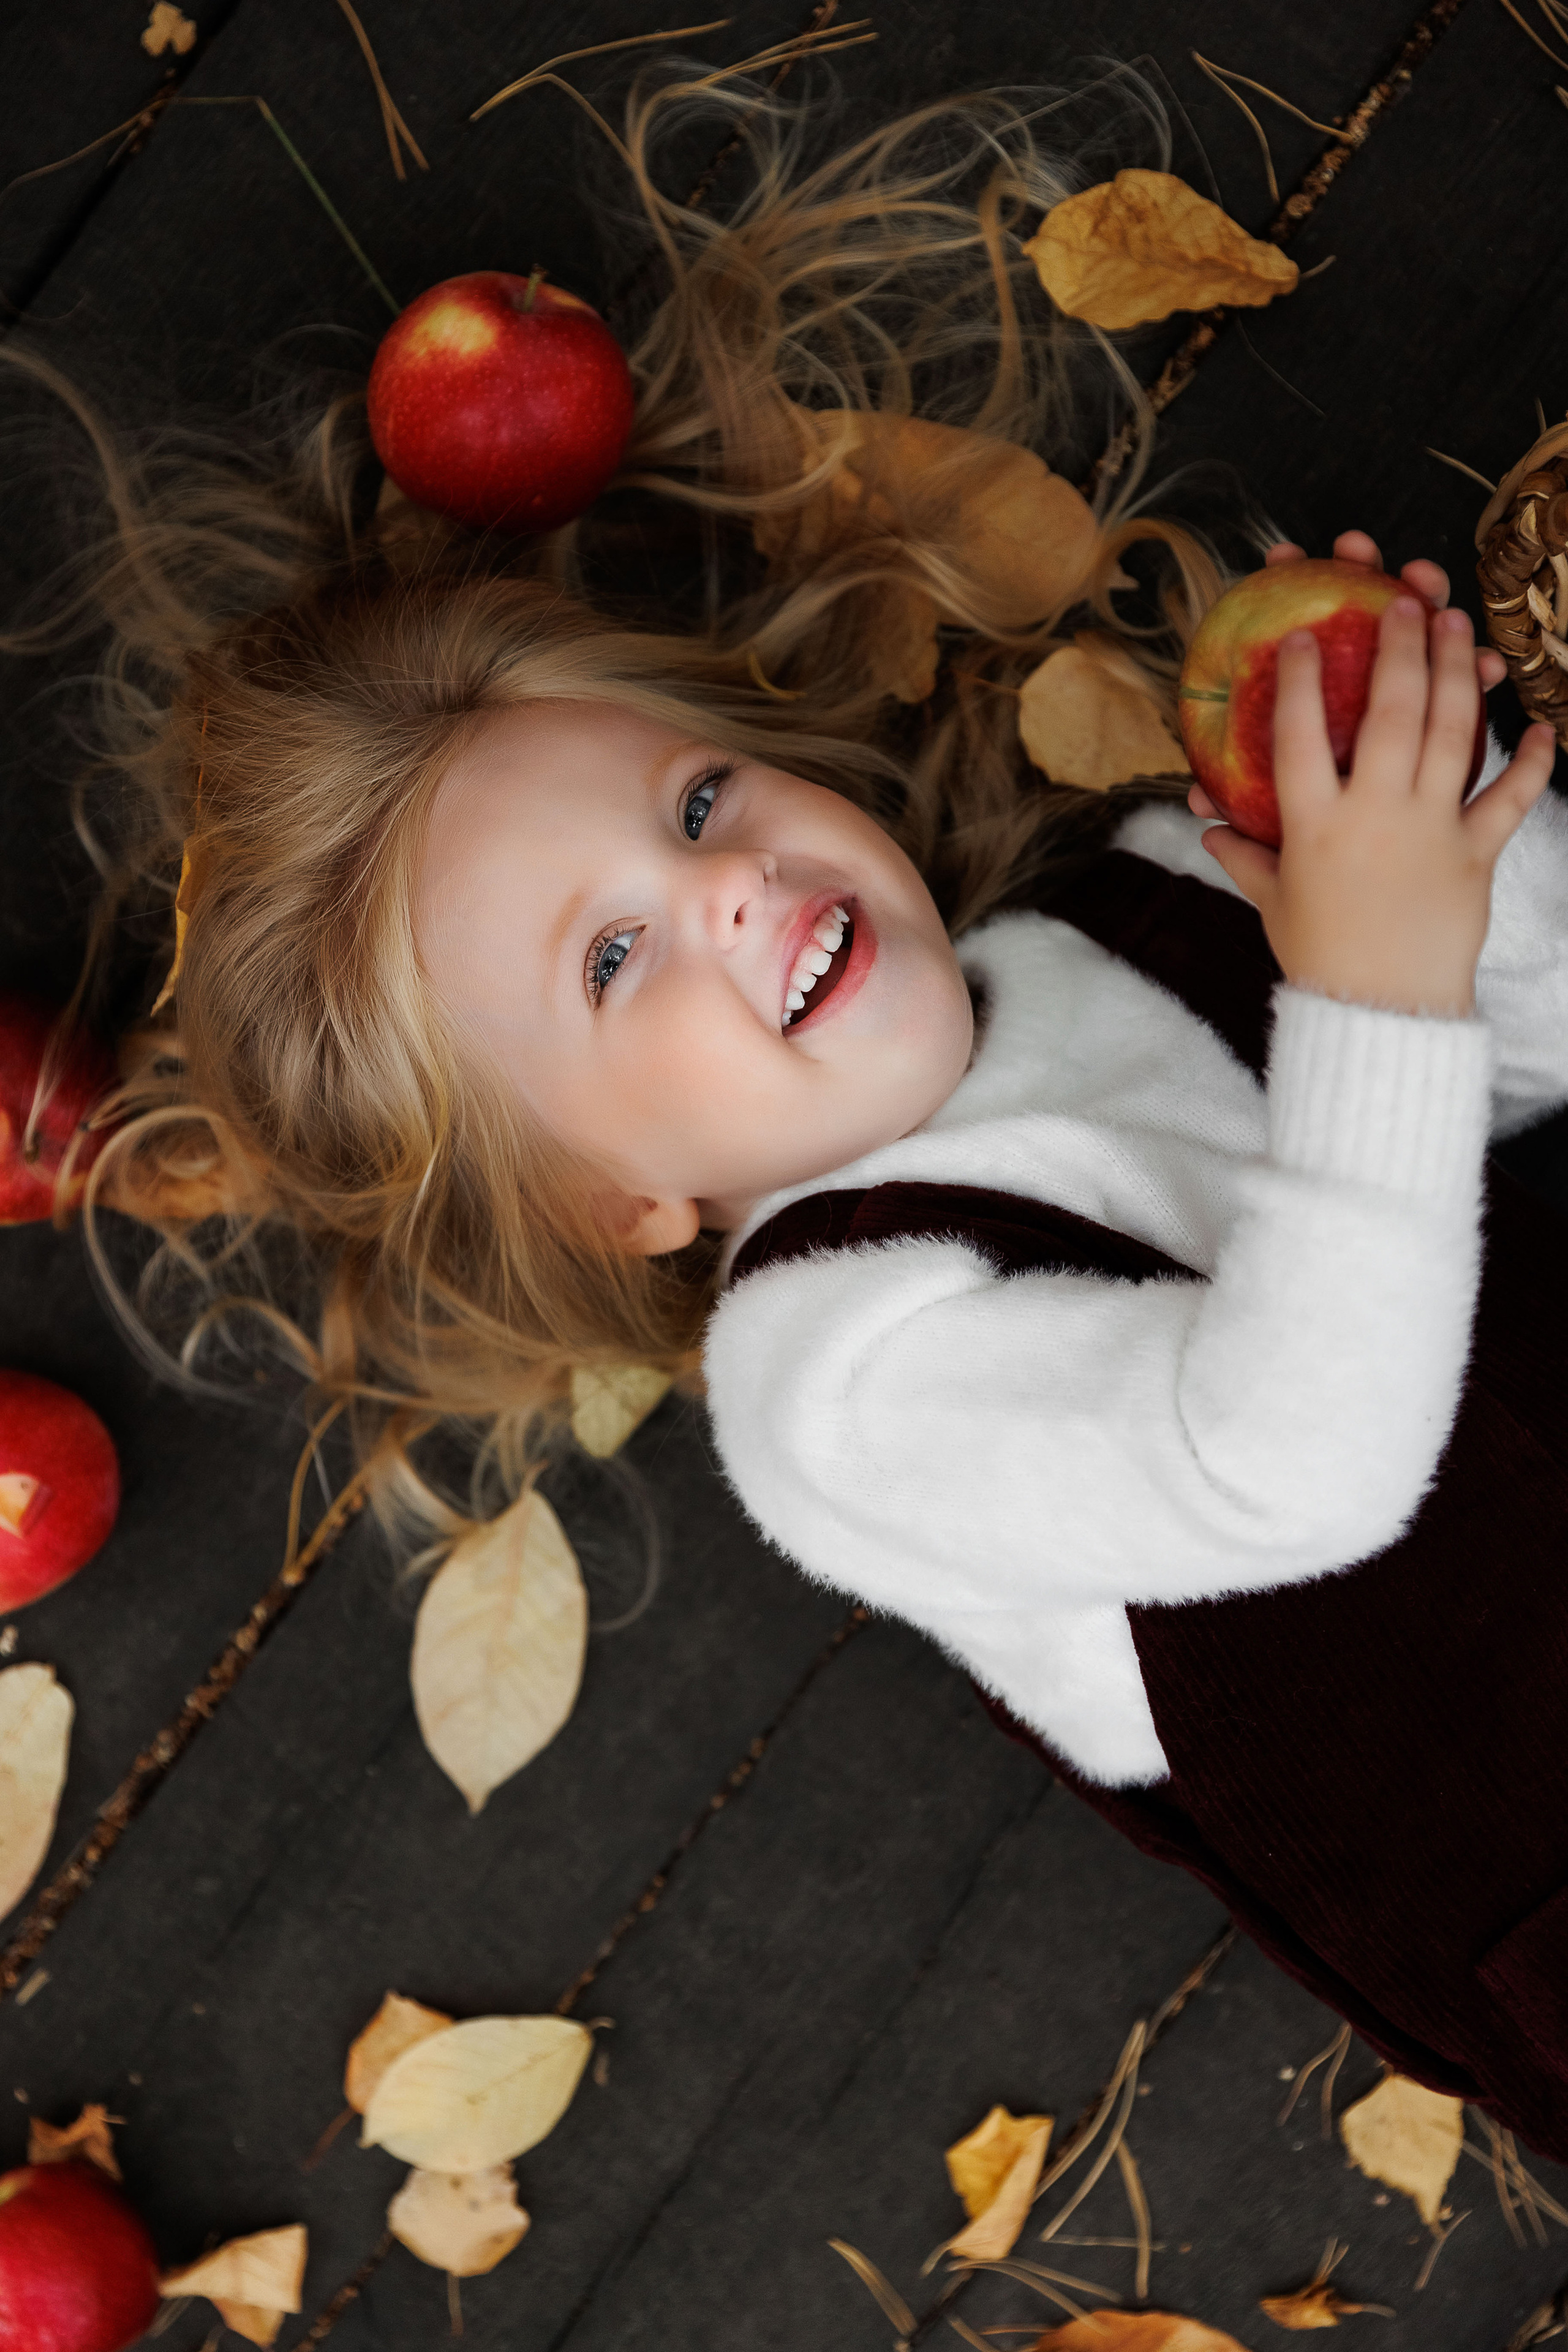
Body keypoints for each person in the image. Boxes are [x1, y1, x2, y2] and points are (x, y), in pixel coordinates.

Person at [13, 61, 1568, 2153]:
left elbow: (1513, 1042)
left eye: (695, 803)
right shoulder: (840, 1386)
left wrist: (1437, 814)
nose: (726, 885)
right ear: (613, 1196)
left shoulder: (1169, 894)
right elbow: (1287, 1464)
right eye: (613, 957)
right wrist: (1375, 983)